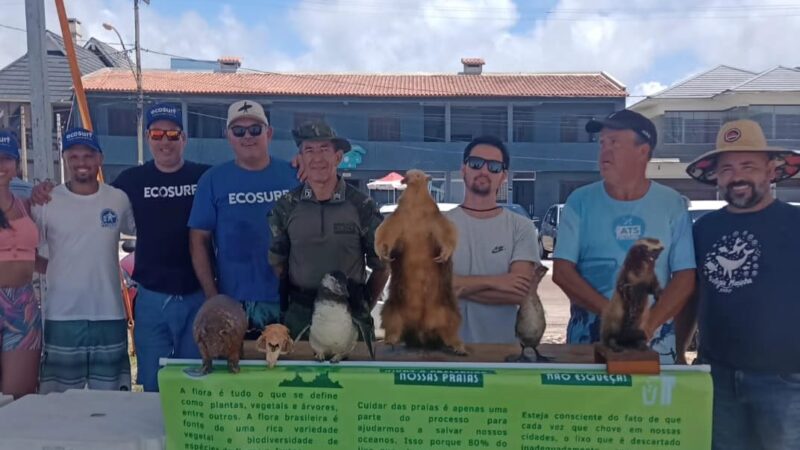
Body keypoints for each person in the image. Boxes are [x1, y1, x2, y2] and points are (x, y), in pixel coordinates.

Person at [677, 119, 800, 450]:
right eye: (728, 168)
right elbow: (690, 295)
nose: (737, 176)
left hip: (786, 381)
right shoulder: (703, 230)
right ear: (717, 177)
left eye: (749, 166)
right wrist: (677, 353)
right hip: (717, 377)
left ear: (771, 171)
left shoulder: (796, 224)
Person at [552, 109, 695, 363]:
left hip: (655, 349)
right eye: (602, 143)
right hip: (589, 346)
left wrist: (647, 326)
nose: (604, 151)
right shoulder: (579, 201)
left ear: (643, 151)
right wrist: (612, 314)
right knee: (588, 405)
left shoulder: (672, 204)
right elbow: (562, 271)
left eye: (615, 142)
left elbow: (685, 277)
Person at [32, 128, 135, 393]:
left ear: (100, 158)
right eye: (74, 156)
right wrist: (53, 269)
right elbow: (26, 250)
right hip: (62, 315)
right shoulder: (46, 201)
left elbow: (141, 233)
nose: (82, 162)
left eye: (88, 155)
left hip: (109, 313)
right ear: (64, 158)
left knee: (112, 400)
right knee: (58, 400)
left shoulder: (118, 198)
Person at [268, 120, 389, 338]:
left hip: (349, 314)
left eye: (324, 149)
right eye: (309, 150)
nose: (317, 158)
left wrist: (360, 307)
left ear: (338, 157)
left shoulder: (362, 206)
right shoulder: (286, 206)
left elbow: (381, 266)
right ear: (301, 158)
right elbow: (279, 263)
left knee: (354, 372)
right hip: (301, 318)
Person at [189, 100, 299, 337]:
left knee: (291, 372)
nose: (247, 136)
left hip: (291, 299)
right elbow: (198, 241)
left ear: (268, 133)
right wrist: (213, 297)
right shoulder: (212, 180)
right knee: (237, 371)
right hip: (235, 303)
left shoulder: (295, 175)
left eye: (255, 129)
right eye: (239, 131)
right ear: (228, 136)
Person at [447, 135, 541, 343]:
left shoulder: (521, 227)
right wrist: (497, 281)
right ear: (464, 169)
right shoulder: (435, 225)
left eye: (494, 166)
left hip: (503, 353)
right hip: (444, 352)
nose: (484, 171)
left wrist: (453, 287)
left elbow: (519, 293)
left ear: (504, 176)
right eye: (476, 163)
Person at [0, 131, 40, 398]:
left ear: (16, 164)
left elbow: (27, 253)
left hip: (22, 303)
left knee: (18, 400)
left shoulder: (27, 197)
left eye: (6, 158)